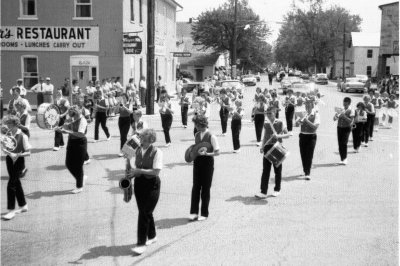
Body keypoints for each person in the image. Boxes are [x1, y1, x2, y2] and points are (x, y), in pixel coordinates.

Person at [126, 128, 163, 255]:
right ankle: (152, 236)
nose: (141, 141)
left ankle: (141, 244)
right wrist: (130, 172)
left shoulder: (157, 152)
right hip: (139, 183)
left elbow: (156, 172)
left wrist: (139, 171)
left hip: (152, 184)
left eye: (144, 139)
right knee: (146, 212)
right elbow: (128, 159)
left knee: (144, 212)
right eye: (141, 138)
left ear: (151, 140)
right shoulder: (136, 148)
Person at [189, 115, 220, 221]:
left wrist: (207, 154)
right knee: (196, 187)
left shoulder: (212, 136)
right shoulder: (197, 134)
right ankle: (193, 212)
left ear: (201, 124)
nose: (195, 127)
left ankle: (204, 213)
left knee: (206, 188)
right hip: (197, 161)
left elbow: (217, 153)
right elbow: (195, 148)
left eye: (196, 124)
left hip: (207, 162)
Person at [255, 107, 290, 199]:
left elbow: (288, 135)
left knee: (277, 170)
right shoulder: (266, 123)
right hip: (267, 147)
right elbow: (265, 136)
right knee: (265, 170)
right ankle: (263, 191)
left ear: (274, 113)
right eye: (267, 113)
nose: (268, 115)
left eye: (270, 113)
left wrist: (278, 135)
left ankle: (277, 189)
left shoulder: (280, 122)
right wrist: (262, 146)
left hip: (277, 147)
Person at [1, 115, 31, 220]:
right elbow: (5, 149)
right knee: (16, 182)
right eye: (7, 123)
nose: (7, 125)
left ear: (15, 124)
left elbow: (28, 153)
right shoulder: (7, 135)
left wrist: (18, 155)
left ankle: (11, 210)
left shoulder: (23, 136)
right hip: (9, 160)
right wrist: (8, 152)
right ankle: (23, 205)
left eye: (9, 124)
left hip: (19, 161)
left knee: (11, 184)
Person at [55, 106, 88, 194]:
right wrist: (60, 129)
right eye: (71, 115)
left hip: (80, 143)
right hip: (71, 142)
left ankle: (79, 186)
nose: (72, 117)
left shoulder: (83, 120)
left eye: (74, 115)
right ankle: (81, 177)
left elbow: (81, 134)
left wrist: (68, 132)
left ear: (77, 113)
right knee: (68, 163)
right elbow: (65, 127)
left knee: (78, 165)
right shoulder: (71, 118)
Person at [298, 99, 320, 180]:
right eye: (306, 105)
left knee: (309, 154)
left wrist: (306, 120)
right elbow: (297, 124)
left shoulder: (316, 115)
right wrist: (299, 120)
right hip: (302, 135)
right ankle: (305, 170)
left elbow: (315, 127)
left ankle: (308, 172)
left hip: (311, 136)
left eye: (308, 105)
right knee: (303, 154)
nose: (307, 107)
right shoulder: (304, 114)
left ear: (312, 106)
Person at [333, 97, 354, 165]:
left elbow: (351, 121)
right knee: (340, 143)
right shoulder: (341, 109)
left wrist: (343, 116)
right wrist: (336, 115)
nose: (344, 105)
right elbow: (334, 119)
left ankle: (345, 159)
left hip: (346, 128)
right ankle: (342, 159)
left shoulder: (351, 110)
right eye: (343, 103)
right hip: (339, 127)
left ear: (349, 103)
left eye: (346, 104)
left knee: (344, 143)